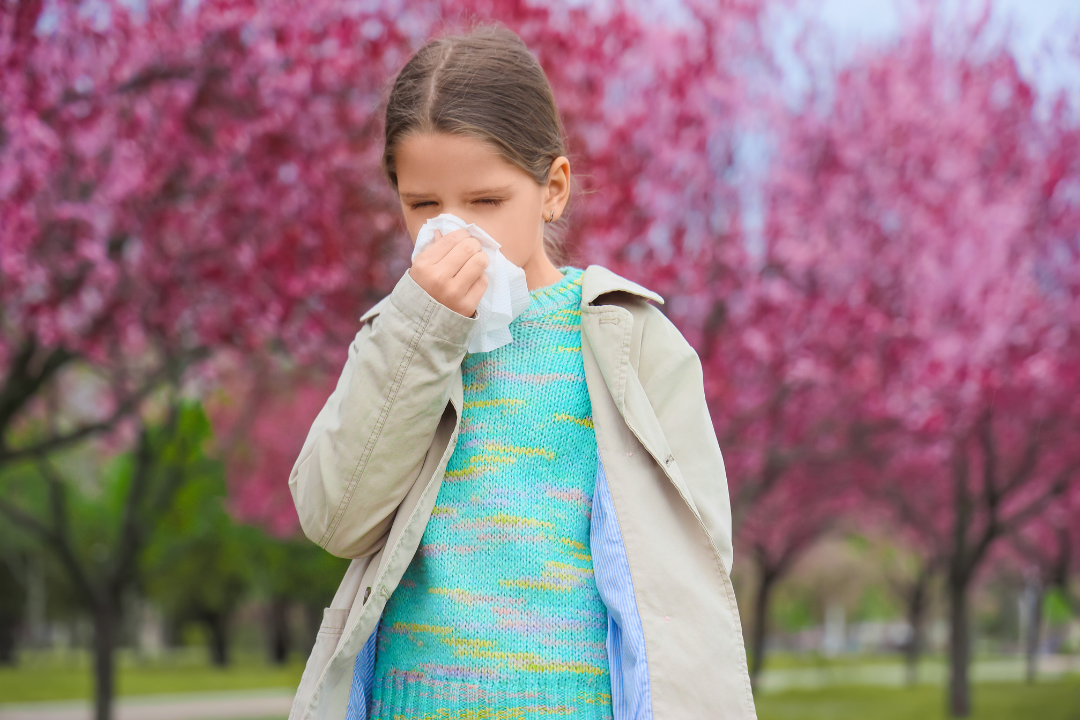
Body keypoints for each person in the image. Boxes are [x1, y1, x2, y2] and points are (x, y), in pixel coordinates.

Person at [286, 24, 756, 720]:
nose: (455, 231)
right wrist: (423, 329)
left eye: (485, 202)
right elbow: (334, 515)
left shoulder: (632, 341)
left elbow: (694, 561)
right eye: (423, 207)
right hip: (411, 704)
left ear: (553, 189)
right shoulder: (397, 337)